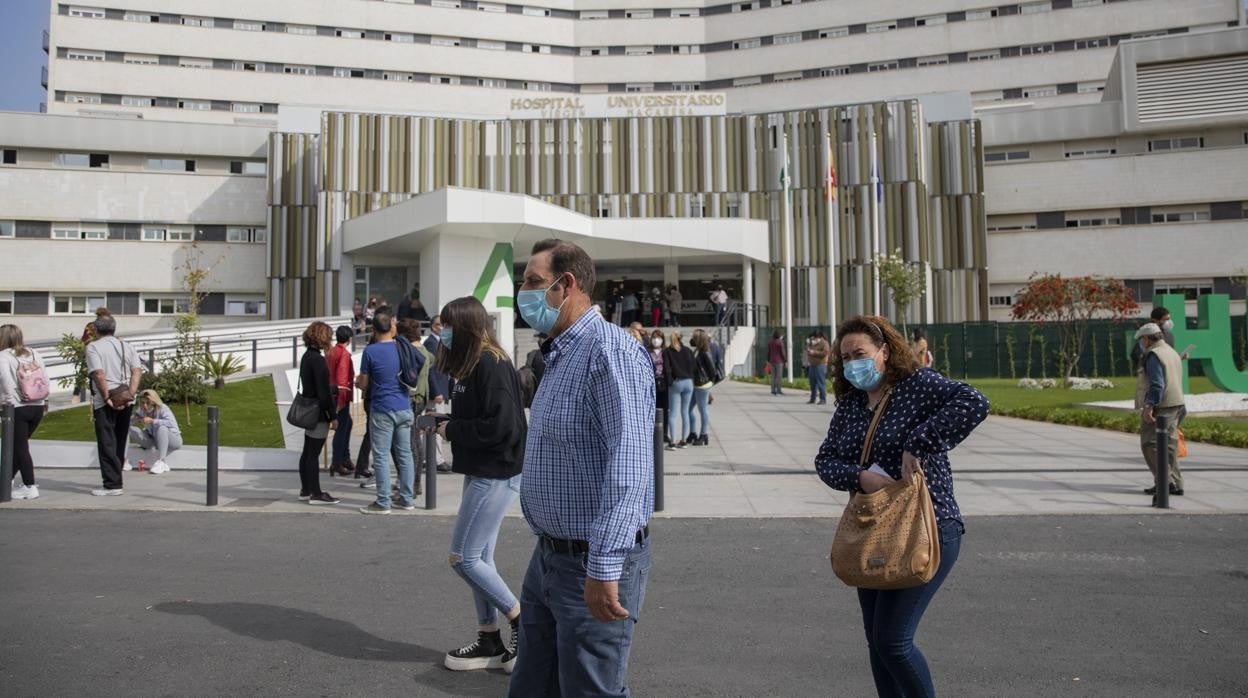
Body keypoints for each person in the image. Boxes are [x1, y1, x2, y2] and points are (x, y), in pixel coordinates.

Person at [814, 315, 989, 698]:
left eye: (860, 353)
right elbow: (825, 460)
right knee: (877, 643)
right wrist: (860, 478)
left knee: (894, 641)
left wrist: (919, 441)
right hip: (872, 531)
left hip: (927, 525)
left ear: (885, 352)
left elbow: (975, 401)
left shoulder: (917, 386)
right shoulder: (851, 403)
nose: (851, 363)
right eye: (845, 357)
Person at [509, 238, 655, 697]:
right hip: (550, 557)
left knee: (592, 690)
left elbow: (628, 468)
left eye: (533, 281)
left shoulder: (609, 353)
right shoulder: (560, 352)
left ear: (565, 284)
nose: (524, 291)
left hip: (591, 561)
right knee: (534, 686)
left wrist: (604, 565)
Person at [432, 297, 527, 673]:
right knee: (481, 559)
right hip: (485, 470)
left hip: (497, 473)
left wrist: (451, 428)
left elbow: (502, 426)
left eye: (448, 325)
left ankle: (521, 620)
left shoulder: (491, 363)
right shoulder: (474, 364)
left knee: (463, 558)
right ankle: (489, 637)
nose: (443, 332)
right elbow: (485, 417)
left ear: (467, 326)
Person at [357, 308, 417, 514]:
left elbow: (364, 382)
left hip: (382, 408)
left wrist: (358, 382)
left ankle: (383, 502)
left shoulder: (370, 351)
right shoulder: (402, 347)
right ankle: (407, 499)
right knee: (405, 454)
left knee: (381, 456)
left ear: (373, 329)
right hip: (404, 406)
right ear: (391, 326)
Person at [85, 314, 142, 496]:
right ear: (114, 328)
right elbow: (137, 371)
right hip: (126, 398)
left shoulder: (93, 347)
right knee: (119, 439)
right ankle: (116, 481)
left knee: (106, 441)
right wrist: (131, 393)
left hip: (106, 400)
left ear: (96, 329)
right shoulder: (127, 346)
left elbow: (99, 374)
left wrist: (106, 396)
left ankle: (112, 484)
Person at [1135, 322, 1186, 497]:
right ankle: (1176, 483)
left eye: (1142, 339)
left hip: (1161, 405)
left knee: (1150, 444)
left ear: (1147, 338)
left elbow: (1157, 384)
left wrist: (1149, 406)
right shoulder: (1171, 351)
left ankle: (1165, 482)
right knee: (1169, 445)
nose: (1141, 342)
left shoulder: (1154, 355)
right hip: (1176, 402)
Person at [0, 324, 48, 500]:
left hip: (17, 407)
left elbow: (5, 379)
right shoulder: (33, 353)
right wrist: (45, 400)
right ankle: (6, 480)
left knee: (20, 447)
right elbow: (45, 376)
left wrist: (6, 401)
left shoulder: (3, 356)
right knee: (17, 446)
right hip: (37, 405)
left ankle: (30, 485)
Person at [296, 321, 340, 504]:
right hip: (319, 413)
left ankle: (306, 489)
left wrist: (331, 388)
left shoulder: (307, 357)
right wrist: (333, 416)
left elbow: (314, 386)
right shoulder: (319, 360)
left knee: (307, 452)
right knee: (313, 453)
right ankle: (316, 492)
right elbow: (322, 393)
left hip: (309, 409)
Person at [127, 389, 182, 474]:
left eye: (147, 403)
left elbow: (171, 423)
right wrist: (134, 419)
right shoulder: (141, 409)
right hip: (153, 439)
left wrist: (153, 421)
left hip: (173, 440)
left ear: (153, 402)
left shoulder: (163, 408)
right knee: (127, 428)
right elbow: (132, 420)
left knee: (162, 428)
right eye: (142, 402)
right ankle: (123, 460)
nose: (144, 406)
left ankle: (162, 461)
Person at [424, 315, 453, 473]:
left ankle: (427, 458)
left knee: (433, 427)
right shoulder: (431, 343)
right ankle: (437, 460)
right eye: (442, 325)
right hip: (437, 393)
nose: (445, 328)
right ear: (435, 327)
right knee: (436, 427)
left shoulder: (439, 342)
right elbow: (430, 370)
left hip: (442, 389)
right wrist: (436, 391)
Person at [327, 325, 356, 476]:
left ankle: (344, 458)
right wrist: (341, 402)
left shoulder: (331, 352)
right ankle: (337, 461)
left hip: (331, 395)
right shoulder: (344, 354)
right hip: (339, 398)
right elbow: (342, 380)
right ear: (349, 338)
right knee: (341, 428)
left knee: (347, 424)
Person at [662, 330, 696, 449]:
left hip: (676, 382)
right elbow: (693, 366)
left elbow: (666, 369)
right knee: (685, 412)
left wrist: (670, 382)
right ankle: (684, 440)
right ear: (681, 338)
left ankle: (672, 441)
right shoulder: (688, 351)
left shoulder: (667, 352)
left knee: (673, 413)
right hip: (688, 382)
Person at [687, 330, 717, 446]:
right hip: (696, 384)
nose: (692, 339)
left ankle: (704, 434)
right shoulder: (697, 350)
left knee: (703, 410)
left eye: (695, 337)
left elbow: (712, 372)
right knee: (688, 409)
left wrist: (708, 385)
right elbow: (691, 343)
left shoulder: (705, 352)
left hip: (702, 385)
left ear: (699, 339)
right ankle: (693, 432)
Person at [647, 329, 668, 440]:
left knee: (664, 407)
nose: (656, 340)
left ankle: (664, 433)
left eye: (659, 338)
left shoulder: (665, 351)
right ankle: (652, 433)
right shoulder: (648, 351)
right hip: (652, 381)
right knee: (652, 407)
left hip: (663, 382)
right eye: (654, 337)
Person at [806, 330, 831, 405]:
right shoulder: (811, 342)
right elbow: (807, 348)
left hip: (820, 365)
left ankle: (823, 399)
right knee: (812, 383)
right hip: (812, 365)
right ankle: (812, 398)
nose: (813, 340)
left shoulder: (824, 343)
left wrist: (814, 352)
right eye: (812, 338)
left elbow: (825, 353)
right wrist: (808, 350)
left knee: (821, 382)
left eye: (814, 338)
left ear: (819, 337)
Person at [767, 330, 786, 396]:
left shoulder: (770, 342)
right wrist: (785, 360)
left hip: (772, 361)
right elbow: (782, 353)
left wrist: (768, 360)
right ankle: (778, 390)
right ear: (779, 335)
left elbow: (768, 352)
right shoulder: (780, 342)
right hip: (779, 361)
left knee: (773, 376)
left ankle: (773, 390)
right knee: (779, 376)